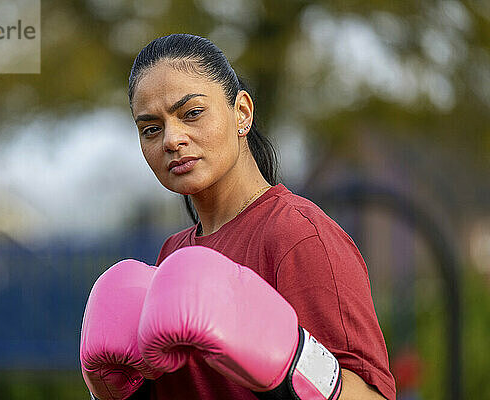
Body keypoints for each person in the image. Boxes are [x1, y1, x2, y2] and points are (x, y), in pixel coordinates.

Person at [80, 33, 396, 400]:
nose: (172, 139)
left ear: (241, 112)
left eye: (192, 113)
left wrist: (290, 361)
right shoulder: (172, 255)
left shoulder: (299, 235)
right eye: (151, 128)